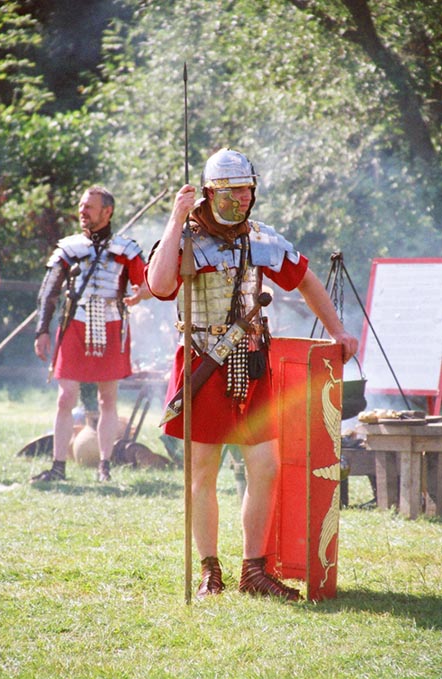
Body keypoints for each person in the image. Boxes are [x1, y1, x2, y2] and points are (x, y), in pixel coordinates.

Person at [146, 148, 358, 601]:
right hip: (203, 359)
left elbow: (306, 279)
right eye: (231, 190)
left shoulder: (261, 238)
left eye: (247, 189)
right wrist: (174, 219)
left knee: (265, 466)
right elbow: (161, 285)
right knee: (202, 471)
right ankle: (209, 571)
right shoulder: (185, 239)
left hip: (250, 361)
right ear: (209, 193)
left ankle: (254, 570)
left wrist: (338, 330)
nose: (242, 198)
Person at [32, 185, 150, 483]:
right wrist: (42, 330)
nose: (82, 212)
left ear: (107, 212)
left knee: (107, 399)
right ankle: (59, 466)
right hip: (75, 324)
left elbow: (149, 283)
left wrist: (140, 296)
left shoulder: (126, 250)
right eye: (82, 206)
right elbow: (49, 291)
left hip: (111, 325)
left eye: (89, 207)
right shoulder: (69, 248)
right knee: (65, 398)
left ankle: (104, 466)